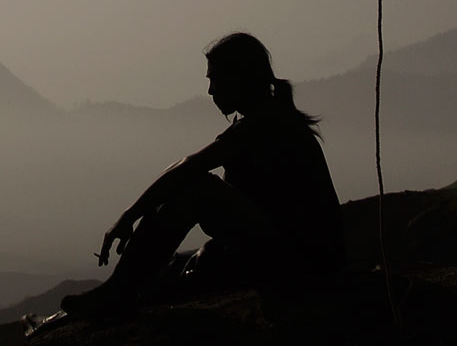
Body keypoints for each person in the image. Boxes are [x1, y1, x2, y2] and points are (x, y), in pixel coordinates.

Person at [61, 33, 344, 320]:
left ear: (240, 78)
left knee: (197, 188)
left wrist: (130, 215)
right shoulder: (269, 118)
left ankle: (115, 294)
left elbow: (189, 168)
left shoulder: (266, 124)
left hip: (299, 263)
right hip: (293, 254)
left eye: (215, 80)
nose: (210, 91)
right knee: (175, 265)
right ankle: (106, 297)